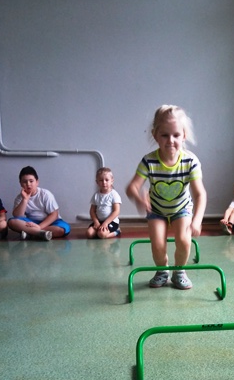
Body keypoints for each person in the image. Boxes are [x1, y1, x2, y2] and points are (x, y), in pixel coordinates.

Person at [126, 104, 207, 289]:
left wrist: (197, 220)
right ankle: (162, 270)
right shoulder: (149, 161)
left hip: (182, 208)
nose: (171, 140)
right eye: (164, 135)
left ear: (184, 135)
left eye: (176, 135)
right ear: (155, 135)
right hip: (156, 209)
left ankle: (179, 271)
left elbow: (200, 194)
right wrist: (139, 199)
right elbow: (132, 187)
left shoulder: (190, 161)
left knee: (184, 241)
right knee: (157, 244)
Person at [7, 166, 71, 240]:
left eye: (31, 181)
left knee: (62, 230)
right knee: (12, 222)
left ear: (37, 182)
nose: (28, 184)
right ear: (21, 184)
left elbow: (54, 215)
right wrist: (25, 200)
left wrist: (39, 227)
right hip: (31, 223)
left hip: (50, 222)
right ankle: (38, 233)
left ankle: (31, 233)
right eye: (25, 182)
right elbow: (18, 216)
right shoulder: (20, 197)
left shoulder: (45, 194)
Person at [86, 167, 122, 239]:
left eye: (107, 180)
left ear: (112, 181)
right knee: (89, 233)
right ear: (97, 182)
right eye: (101, 180)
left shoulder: (114, 194)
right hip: (99, 222)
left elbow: (116, 211)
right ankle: (100, 232)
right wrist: (96, 222)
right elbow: (92, 211)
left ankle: (117, 231)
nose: (104, 182)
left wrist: (106, 223)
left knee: (102, 234)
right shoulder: (96, 195)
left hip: (111, 222)